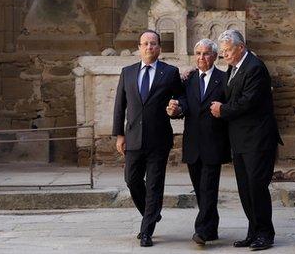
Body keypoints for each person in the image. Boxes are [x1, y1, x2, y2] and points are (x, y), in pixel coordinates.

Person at [210, 29, 283, 251]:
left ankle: (265, 234)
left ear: (240, 47)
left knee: (257, 187)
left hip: (258, 140)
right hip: (241, 141)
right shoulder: (233, 68)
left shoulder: (255, 68)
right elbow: (226, 89)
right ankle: (253, 232)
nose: (224, 55)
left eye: (228, 51)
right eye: (222, 52)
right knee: (245, 188)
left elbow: (247, 102)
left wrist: (222, 110)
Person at [112, 30, 183, 247]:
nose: (149, 47)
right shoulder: (128, 72)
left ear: (159, 48)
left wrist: (177, 107)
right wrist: (119, 135)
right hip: (133, 137)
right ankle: (151, 214)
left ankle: (146, 231)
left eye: (153, 44)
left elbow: (180, 98)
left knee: (154, 185)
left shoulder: (170, 72)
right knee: (131, 180)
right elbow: (119, 106)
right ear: (139, 47)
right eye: (145, 44)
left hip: (158, 138)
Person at [167, 39, 230, 246]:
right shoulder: (188, 79)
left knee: (208, 187)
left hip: (214, 142)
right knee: (200, 188)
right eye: (198, 53)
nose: (202, 57)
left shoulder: (225, 78)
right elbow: (183, 103)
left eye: (206, 53)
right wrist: (176, 110)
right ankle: (211, 228)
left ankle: (201, 231)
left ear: (215, 56)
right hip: (193, 144)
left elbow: (229, 107)